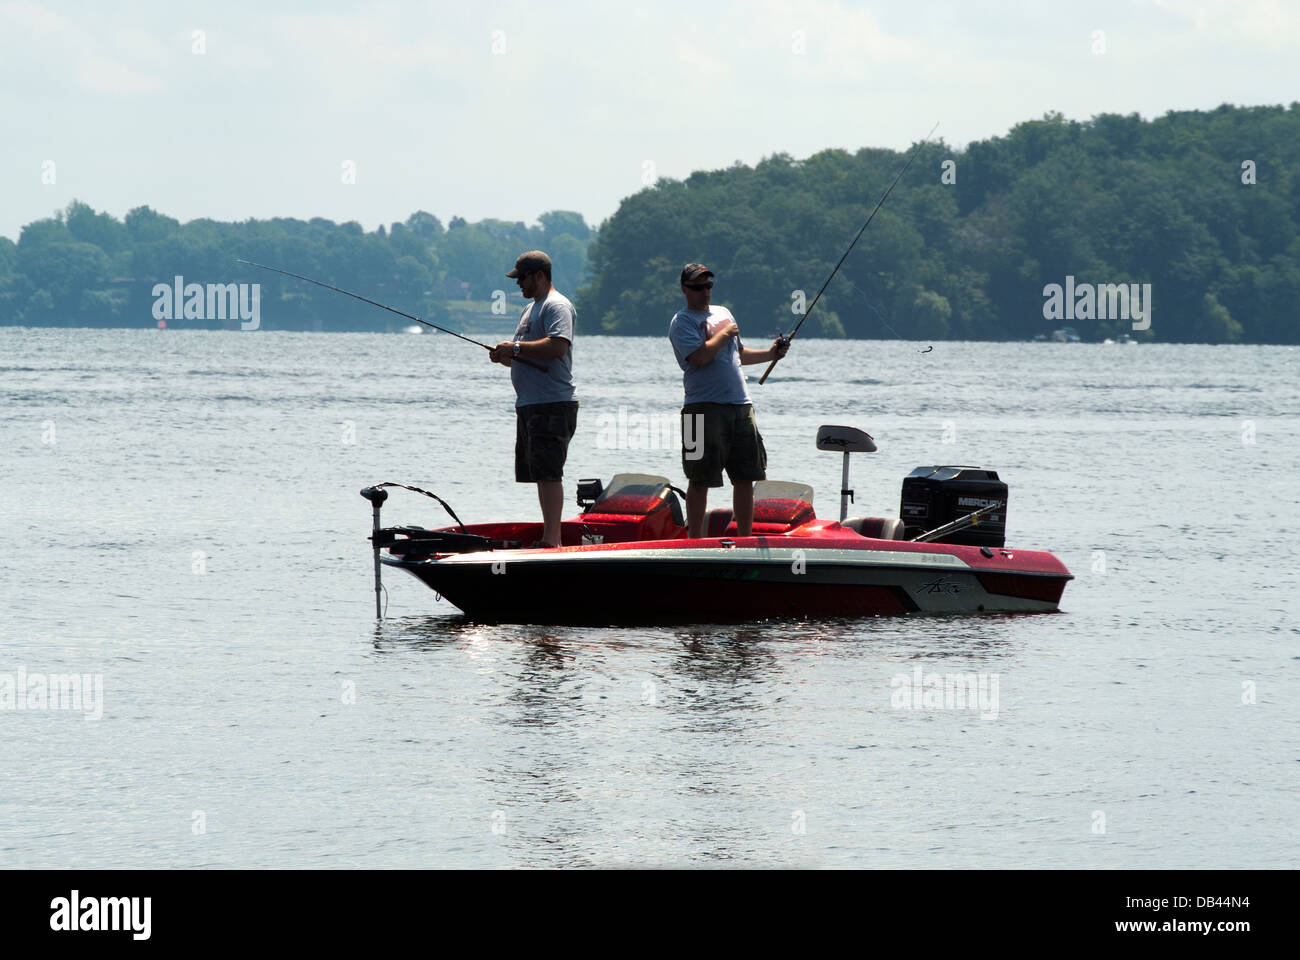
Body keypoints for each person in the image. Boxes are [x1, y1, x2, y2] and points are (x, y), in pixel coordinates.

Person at [668, 263, 788, 538]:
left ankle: (744, 538)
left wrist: (771, 354)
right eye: (698, 287)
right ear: (685, 289)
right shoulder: (682, 321)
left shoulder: (724, 313)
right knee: (699, 479)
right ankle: (693, 540)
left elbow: (739, 354)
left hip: (740, 406)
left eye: (709, 286)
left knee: (746, 477)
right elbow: (699, 357)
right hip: (701, 409)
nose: (705, 292)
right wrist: (722, 334)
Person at [489, 250, 577, 548]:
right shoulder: (530, 310)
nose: (519, 286)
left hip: (551, 404)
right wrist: (507, 356)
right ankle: (548, 535)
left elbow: (557, 347)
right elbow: (526, 353)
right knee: (540, 473)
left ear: (539, 275)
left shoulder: (557, 306)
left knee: (550, 473)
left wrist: (514, 348)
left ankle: (552, 540)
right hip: (530, 404)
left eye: (522, 279)